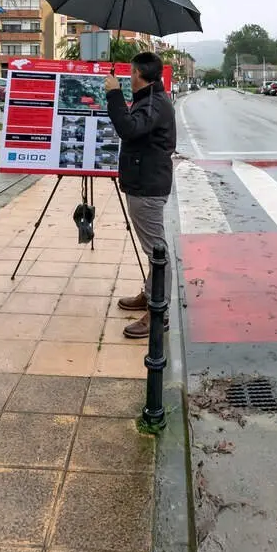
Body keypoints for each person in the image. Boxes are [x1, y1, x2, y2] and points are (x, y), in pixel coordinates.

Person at [103, 52, 176, 339]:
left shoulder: (154, 103)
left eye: (131, 72)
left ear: (138, 74)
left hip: (148, 186)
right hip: (144, 181)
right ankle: (150, 295)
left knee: (157, 252)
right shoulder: (150, 100)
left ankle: (160, 313)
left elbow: (128, 129)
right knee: (152, 248)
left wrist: (113, 95)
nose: (128, 76)